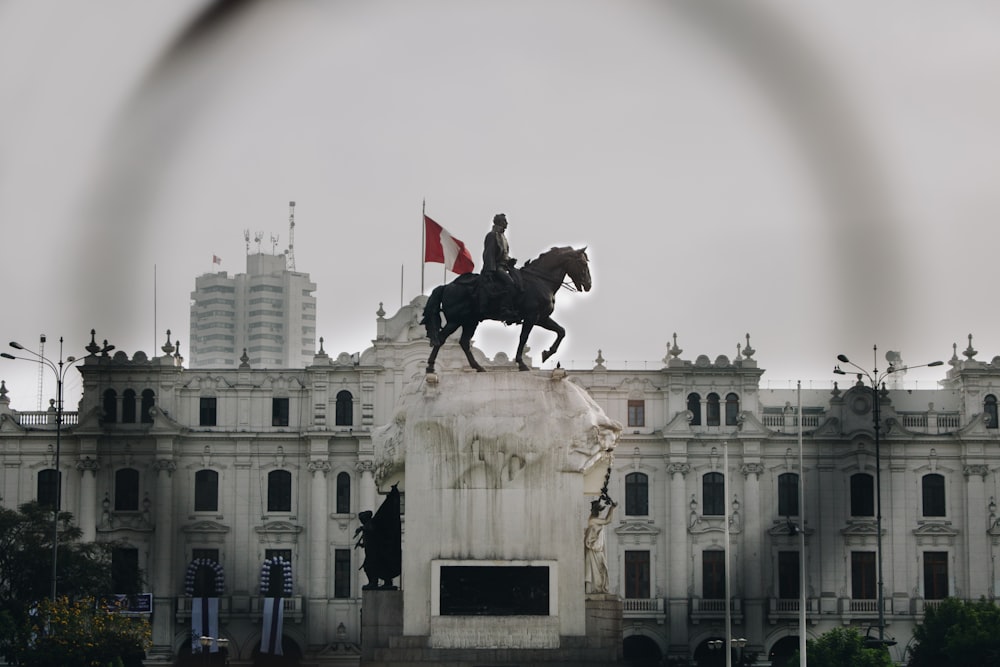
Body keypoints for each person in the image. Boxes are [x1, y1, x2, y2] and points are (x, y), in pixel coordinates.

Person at [481, 213, 519, 321]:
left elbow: (504, 255)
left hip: (504, 266)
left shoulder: (503, 237)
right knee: (510, 283)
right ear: (499, 222)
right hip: (496, 267)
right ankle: (504, 309)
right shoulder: (492, 235)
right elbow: (488, 254)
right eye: (504, 221)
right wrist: (490, 271)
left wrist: (510, 260)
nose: (507, 223)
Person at [584, 498, 616, 595]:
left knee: (601, 570)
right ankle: (596, 589)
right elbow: (608, 520)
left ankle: (599, 588)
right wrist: (612, 508)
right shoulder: (593, 520)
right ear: (596, 511)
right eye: (599, 510)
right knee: (597, 572)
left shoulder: (593, 520)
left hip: (597, 550)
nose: (600, 513)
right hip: (594, 550)